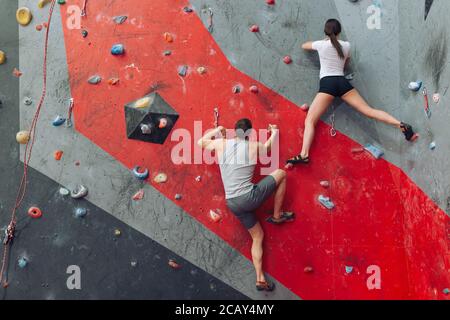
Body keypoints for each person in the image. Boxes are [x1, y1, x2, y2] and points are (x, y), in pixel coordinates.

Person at [287, 19, 417, 165]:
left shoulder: (321, 44)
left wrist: (323, 41)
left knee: (310, 120)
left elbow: (304, 45)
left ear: (326, 31)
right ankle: (401, 125)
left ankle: (304, 154)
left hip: (327, 84)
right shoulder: (347, 45)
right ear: (339, 31)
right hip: (342, 82)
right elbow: (346, 62)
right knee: (369, 110)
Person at [198, 119, 294, 292]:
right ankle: (277, 215)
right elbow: (269, 148)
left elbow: (201, 142)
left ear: (235, 131)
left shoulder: (221, 143)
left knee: (258, 236)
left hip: (232, 202)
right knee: (281, 173)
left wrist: (217, 129)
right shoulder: (254, 145)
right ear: (249, 134)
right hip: (249, 197)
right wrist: (275, 132)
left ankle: (260, 278)